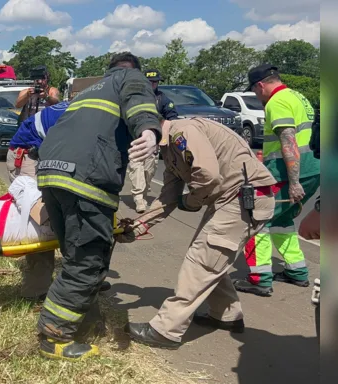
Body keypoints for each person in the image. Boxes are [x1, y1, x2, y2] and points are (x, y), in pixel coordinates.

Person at [33, 52, 162, 360]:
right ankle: (54, 335)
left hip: (52, 173)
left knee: (76, 256)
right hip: (85, 178)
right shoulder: (130, 77)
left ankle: (81, 320)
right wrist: (149, 130)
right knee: (87, 261)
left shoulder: (90, 89)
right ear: (132, 70)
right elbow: (139, 101)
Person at [121, 117, 276, 349]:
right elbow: (167, 198)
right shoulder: (170, 148)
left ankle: (165, 330)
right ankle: (227, 315)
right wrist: (137, 226)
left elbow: (207, 176)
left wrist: (192, 201)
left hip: (244, 199)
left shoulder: (182, 132)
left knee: (201, 261)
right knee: (211, 258)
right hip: (232, 200)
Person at [7, 101, 111, 301]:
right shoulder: (84, 116)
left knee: (65, 216)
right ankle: (37, 291)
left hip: (46, 152)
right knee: (41, 219)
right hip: (29, 154)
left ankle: (78, 278)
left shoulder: (91, 111)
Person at [233, 64, 321, 297]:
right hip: (312, 170)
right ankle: (297, 271)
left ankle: (259, 279)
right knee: (282, 220)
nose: (256, 96)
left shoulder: (277, 101)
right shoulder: (298, 96)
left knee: (255, 219)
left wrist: (293, 182)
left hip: (287, 173)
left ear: (260, 85)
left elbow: (288, 139)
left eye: (254, 91)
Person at [128, 69, 179, 213]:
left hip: (154, 143)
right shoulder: (134, 98)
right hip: (136, 141)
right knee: (136, 167)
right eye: (149, 81)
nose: (152, 84)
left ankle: (143, 192)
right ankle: (138, 198)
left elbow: (172, 119)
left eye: (155, 82)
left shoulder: (163, 100)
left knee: (148, 171)